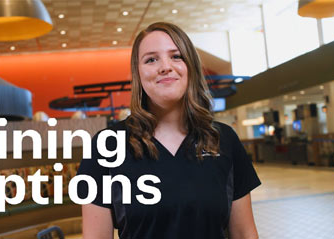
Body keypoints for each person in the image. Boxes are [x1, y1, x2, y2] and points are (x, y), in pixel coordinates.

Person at [77, 22, 261, 239]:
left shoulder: (223, 139)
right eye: (151, 59)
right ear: (138, 73)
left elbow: (244, 233)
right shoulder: (107, 146)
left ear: (190, 67)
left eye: (176, 56)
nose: (165, 66)